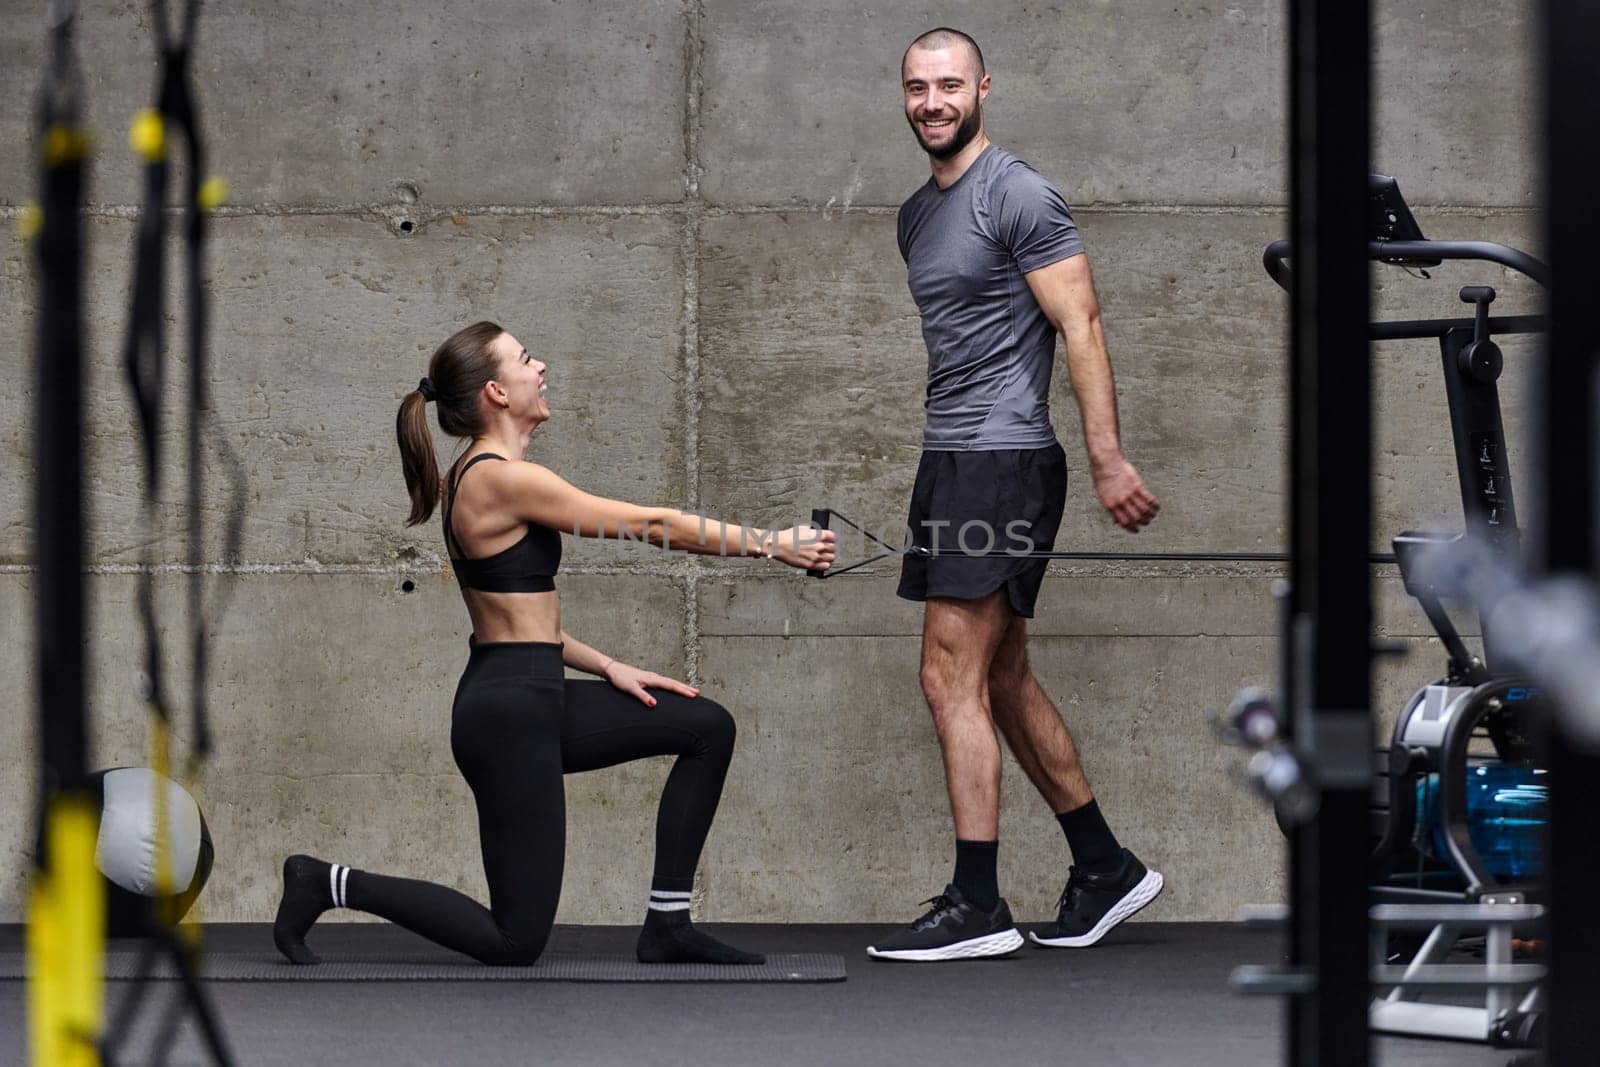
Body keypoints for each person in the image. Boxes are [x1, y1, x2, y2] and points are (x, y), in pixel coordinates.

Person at [273, 320, 835, 966]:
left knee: (706, 726)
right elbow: (650, 525)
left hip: (531, 691)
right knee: (515, 939)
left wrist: (610, 665)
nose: (541, 368)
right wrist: (772, 544)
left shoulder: (487, 476)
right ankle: (325, 881)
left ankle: (668, 925)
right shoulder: (497, 480)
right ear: (496, 392)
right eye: (526, 359)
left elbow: (520, 617)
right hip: (508, 715)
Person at [866, 29, 1164, 962]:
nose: (931, 101)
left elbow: (1080, 324)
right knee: (998, 675)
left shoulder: (1018, 193)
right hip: (952, 456)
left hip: (1000, 460)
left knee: (945, 674)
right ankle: (1105, 865)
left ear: (984, 88)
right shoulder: (917, 215)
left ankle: (977, 902)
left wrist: (1108, 458)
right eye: (917, 87)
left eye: (949, 84)